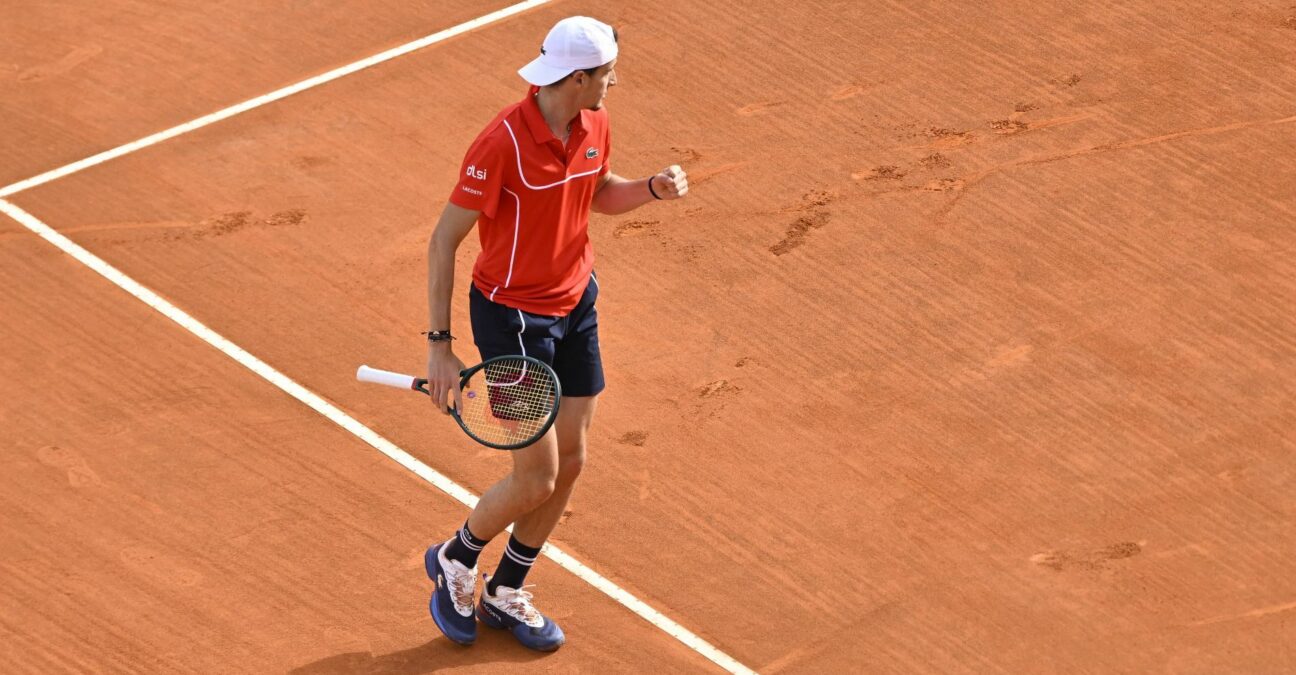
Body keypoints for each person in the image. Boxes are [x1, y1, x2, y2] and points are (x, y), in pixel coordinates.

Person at [421, 16, 688, 652]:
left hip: (575, 304)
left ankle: (505, 589)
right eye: (605, 74)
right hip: (511, 318)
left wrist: (650, 190)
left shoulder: (594, 122)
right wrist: (439, 343)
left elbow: (597, 193)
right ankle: (456, 559)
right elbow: (443, 241)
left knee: (571, 463)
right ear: (575, 77)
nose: (613, 82)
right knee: (535, 477)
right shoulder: (501, 144)